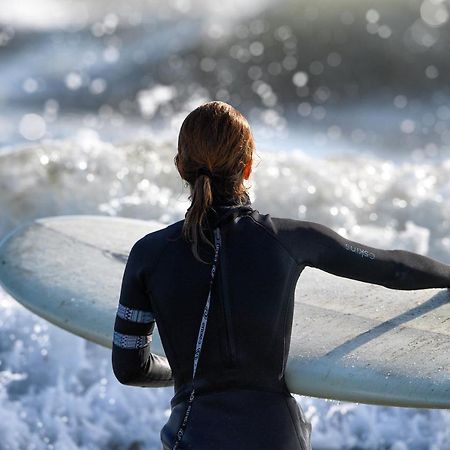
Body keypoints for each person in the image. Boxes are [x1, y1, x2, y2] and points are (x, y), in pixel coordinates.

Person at [111, 101, 450, 450]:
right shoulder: (288, 241)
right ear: (246, 169)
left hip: (193, 437)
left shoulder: (148, 255)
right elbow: (392, 267)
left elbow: (130, 368)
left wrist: (183, 374)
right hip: (275, 438)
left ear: (181, 166)